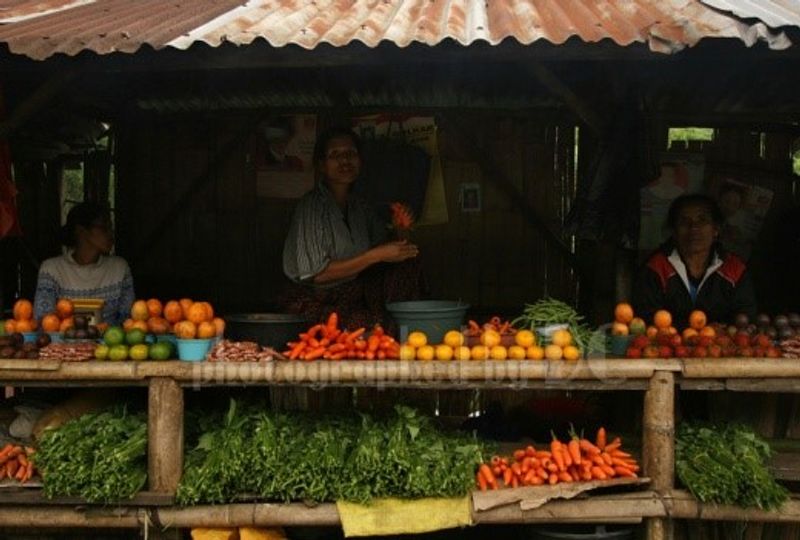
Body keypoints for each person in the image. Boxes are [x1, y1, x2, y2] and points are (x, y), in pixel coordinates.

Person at [280, 126, 422, 329]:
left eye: (351, 153)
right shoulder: (311, 207)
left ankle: (409, 329)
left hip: (353, 292)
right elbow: (316, 275)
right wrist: (373, 256)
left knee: (408, 265)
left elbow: (388, 249)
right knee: (365, 326)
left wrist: (402, 226)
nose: (345, 161)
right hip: (315, 299)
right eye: (335, 155)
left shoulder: (360, 207)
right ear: (321, 165)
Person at [633, 194, 757, 329]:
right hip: (667, 346)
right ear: (674, 231)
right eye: (684, 222)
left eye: (702, 220)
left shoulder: (734, 269)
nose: (694, 228)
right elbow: (645, 318)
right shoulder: (656, 267)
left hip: (722, 347)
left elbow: (746, 316)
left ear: (716, 229)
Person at [33, 202, 134, 326]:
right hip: (61, 344)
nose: (110, 234)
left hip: (110, 344)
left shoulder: (119, 268)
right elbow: (44, 322)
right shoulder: (52, 270)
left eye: (110, 227)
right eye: (104, 227)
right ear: (81, 231)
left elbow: (128, 322)